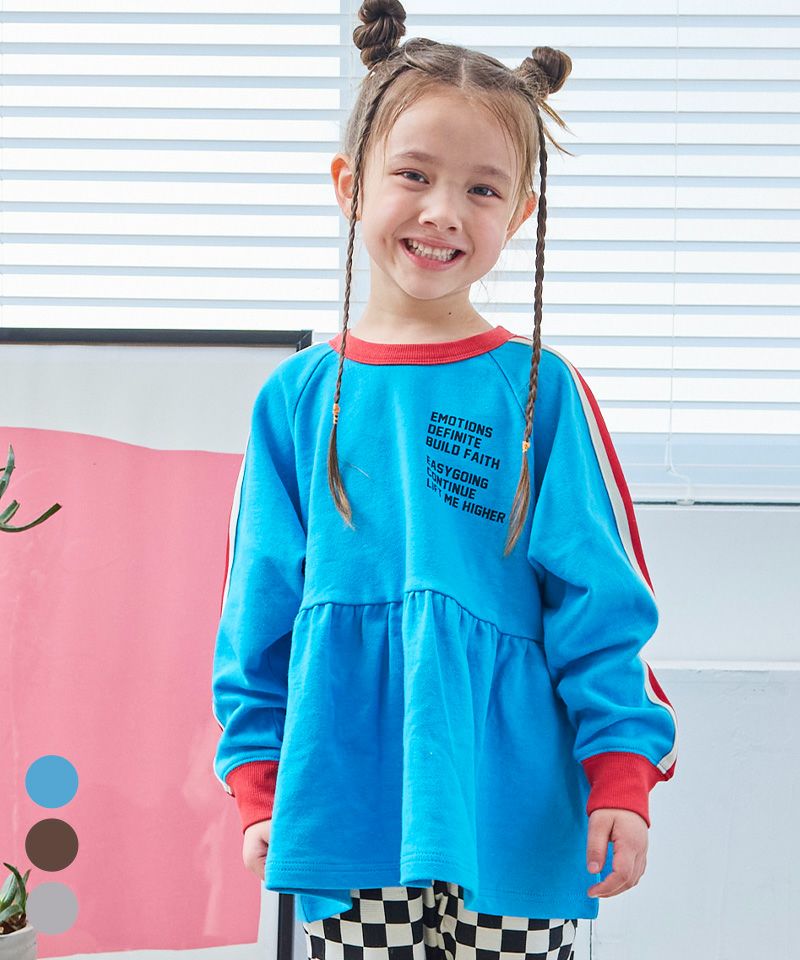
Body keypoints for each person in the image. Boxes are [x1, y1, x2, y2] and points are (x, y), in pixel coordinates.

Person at [211, 1, 678, 957]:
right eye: (414, 175)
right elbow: (257, 608)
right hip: (349, 798)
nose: (442, 212)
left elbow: (601, 599)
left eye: (481, 188)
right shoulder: (295, 398)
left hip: (511, 804)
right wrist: (258, 776)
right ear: (351, 183)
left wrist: (621, 773)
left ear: (520, 213)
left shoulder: (540, 390)